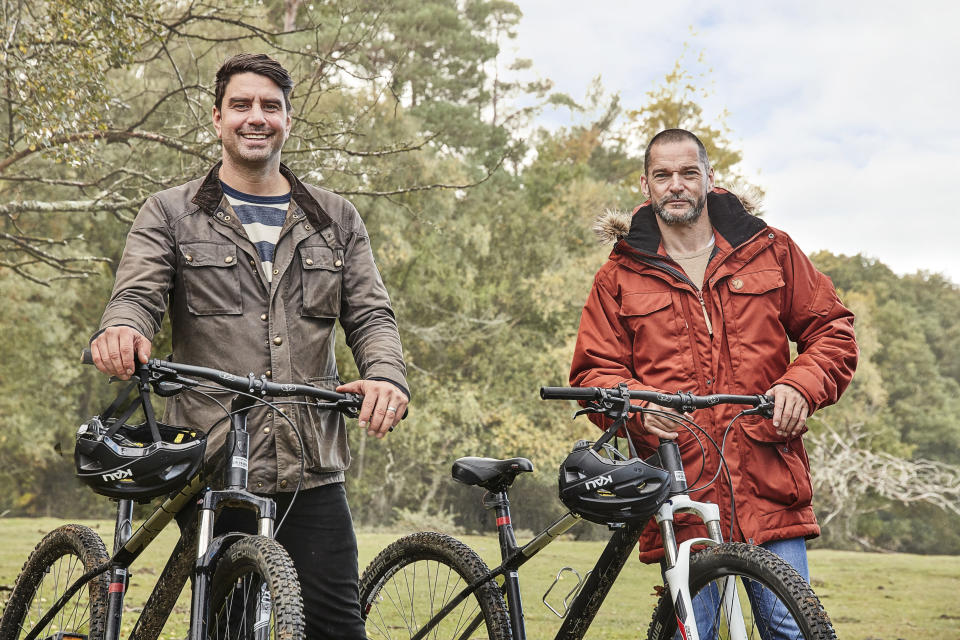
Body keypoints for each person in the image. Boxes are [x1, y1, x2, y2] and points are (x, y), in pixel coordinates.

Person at [89, 53, 408, 639]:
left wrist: (386, 376)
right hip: (212, 458)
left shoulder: (336, 219)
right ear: (217, 119)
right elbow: (136, 294)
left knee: (338, 627)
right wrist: (123, 330)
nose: (254, 117)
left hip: (310, 461)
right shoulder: (170, 213)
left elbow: (371, 315)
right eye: (241, 105)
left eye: (270, 106)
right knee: (229, 626)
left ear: (288, 120)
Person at [569, 128, 857, 636]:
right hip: (680, 492)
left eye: (687, 173)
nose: (675, 185)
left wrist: (799, 385)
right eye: (663, 175)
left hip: (769, 483)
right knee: (695, 635)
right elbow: (595, 372)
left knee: (791, 630)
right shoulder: (619, 277)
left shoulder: (771, 250)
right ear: (646, 185)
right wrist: (638, 406)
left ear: (709, 177)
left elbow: (832, 331)